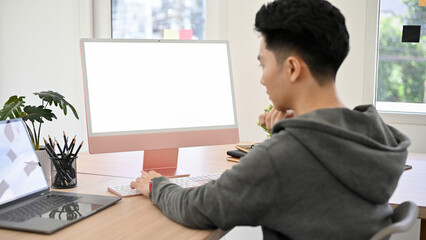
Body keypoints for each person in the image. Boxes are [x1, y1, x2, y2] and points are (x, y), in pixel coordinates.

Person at [130, 0, 411, 239]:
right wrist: (295, 129)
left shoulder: (281, 158)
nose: (262, 78)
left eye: (263, 64)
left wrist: (157, 185)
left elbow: (199, 207)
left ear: (291, 68)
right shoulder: (373, 133)